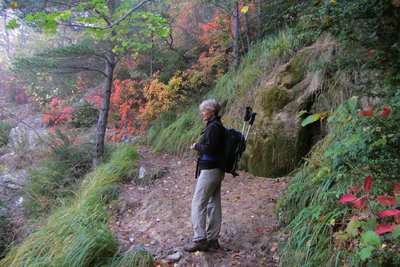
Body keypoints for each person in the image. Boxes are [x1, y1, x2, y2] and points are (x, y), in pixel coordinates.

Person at [184, 99, 226, 252]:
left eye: (204, 110)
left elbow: (211, 148)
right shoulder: (217, 126)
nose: (202, 113)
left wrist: (196, 146)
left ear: (212, 111)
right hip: (216, 170)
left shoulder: (214, 127)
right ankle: (213, 240)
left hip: (210, 171)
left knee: (198, 203)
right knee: (213, 204)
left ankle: (200, 239)